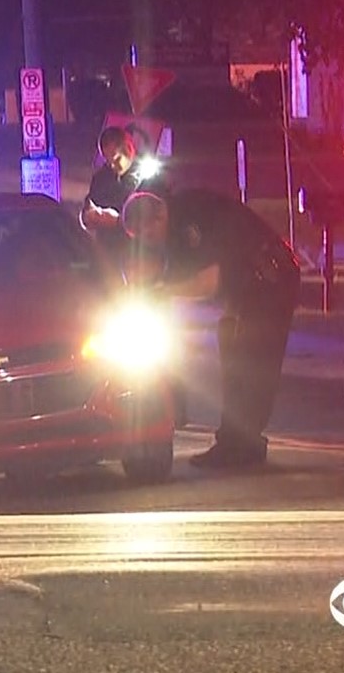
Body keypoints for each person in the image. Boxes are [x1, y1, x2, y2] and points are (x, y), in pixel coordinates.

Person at [123, 185, 302, 469]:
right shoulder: (174, 227)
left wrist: (160, 291)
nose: (149, 242)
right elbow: (176, 275)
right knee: (232, 349)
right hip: (247, 286)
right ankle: (235, 442)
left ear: (158, 217)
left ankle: (243, 445)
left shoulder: (190, 218)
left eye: (147, 234)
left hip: (271, 279)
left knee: (251, 361)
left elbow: (208, 283)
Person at [82, 126, 146, 262]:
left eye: (116, 159)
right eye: (108, 161)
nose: (112, 166)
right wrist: (87, 217)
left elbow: (148, 219)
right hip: (107, 255)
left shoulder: (147, 178)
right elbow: (88, 205)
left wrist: (118, 221)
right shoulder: (101, 177)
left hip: (137, 256)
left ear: (129, 149)